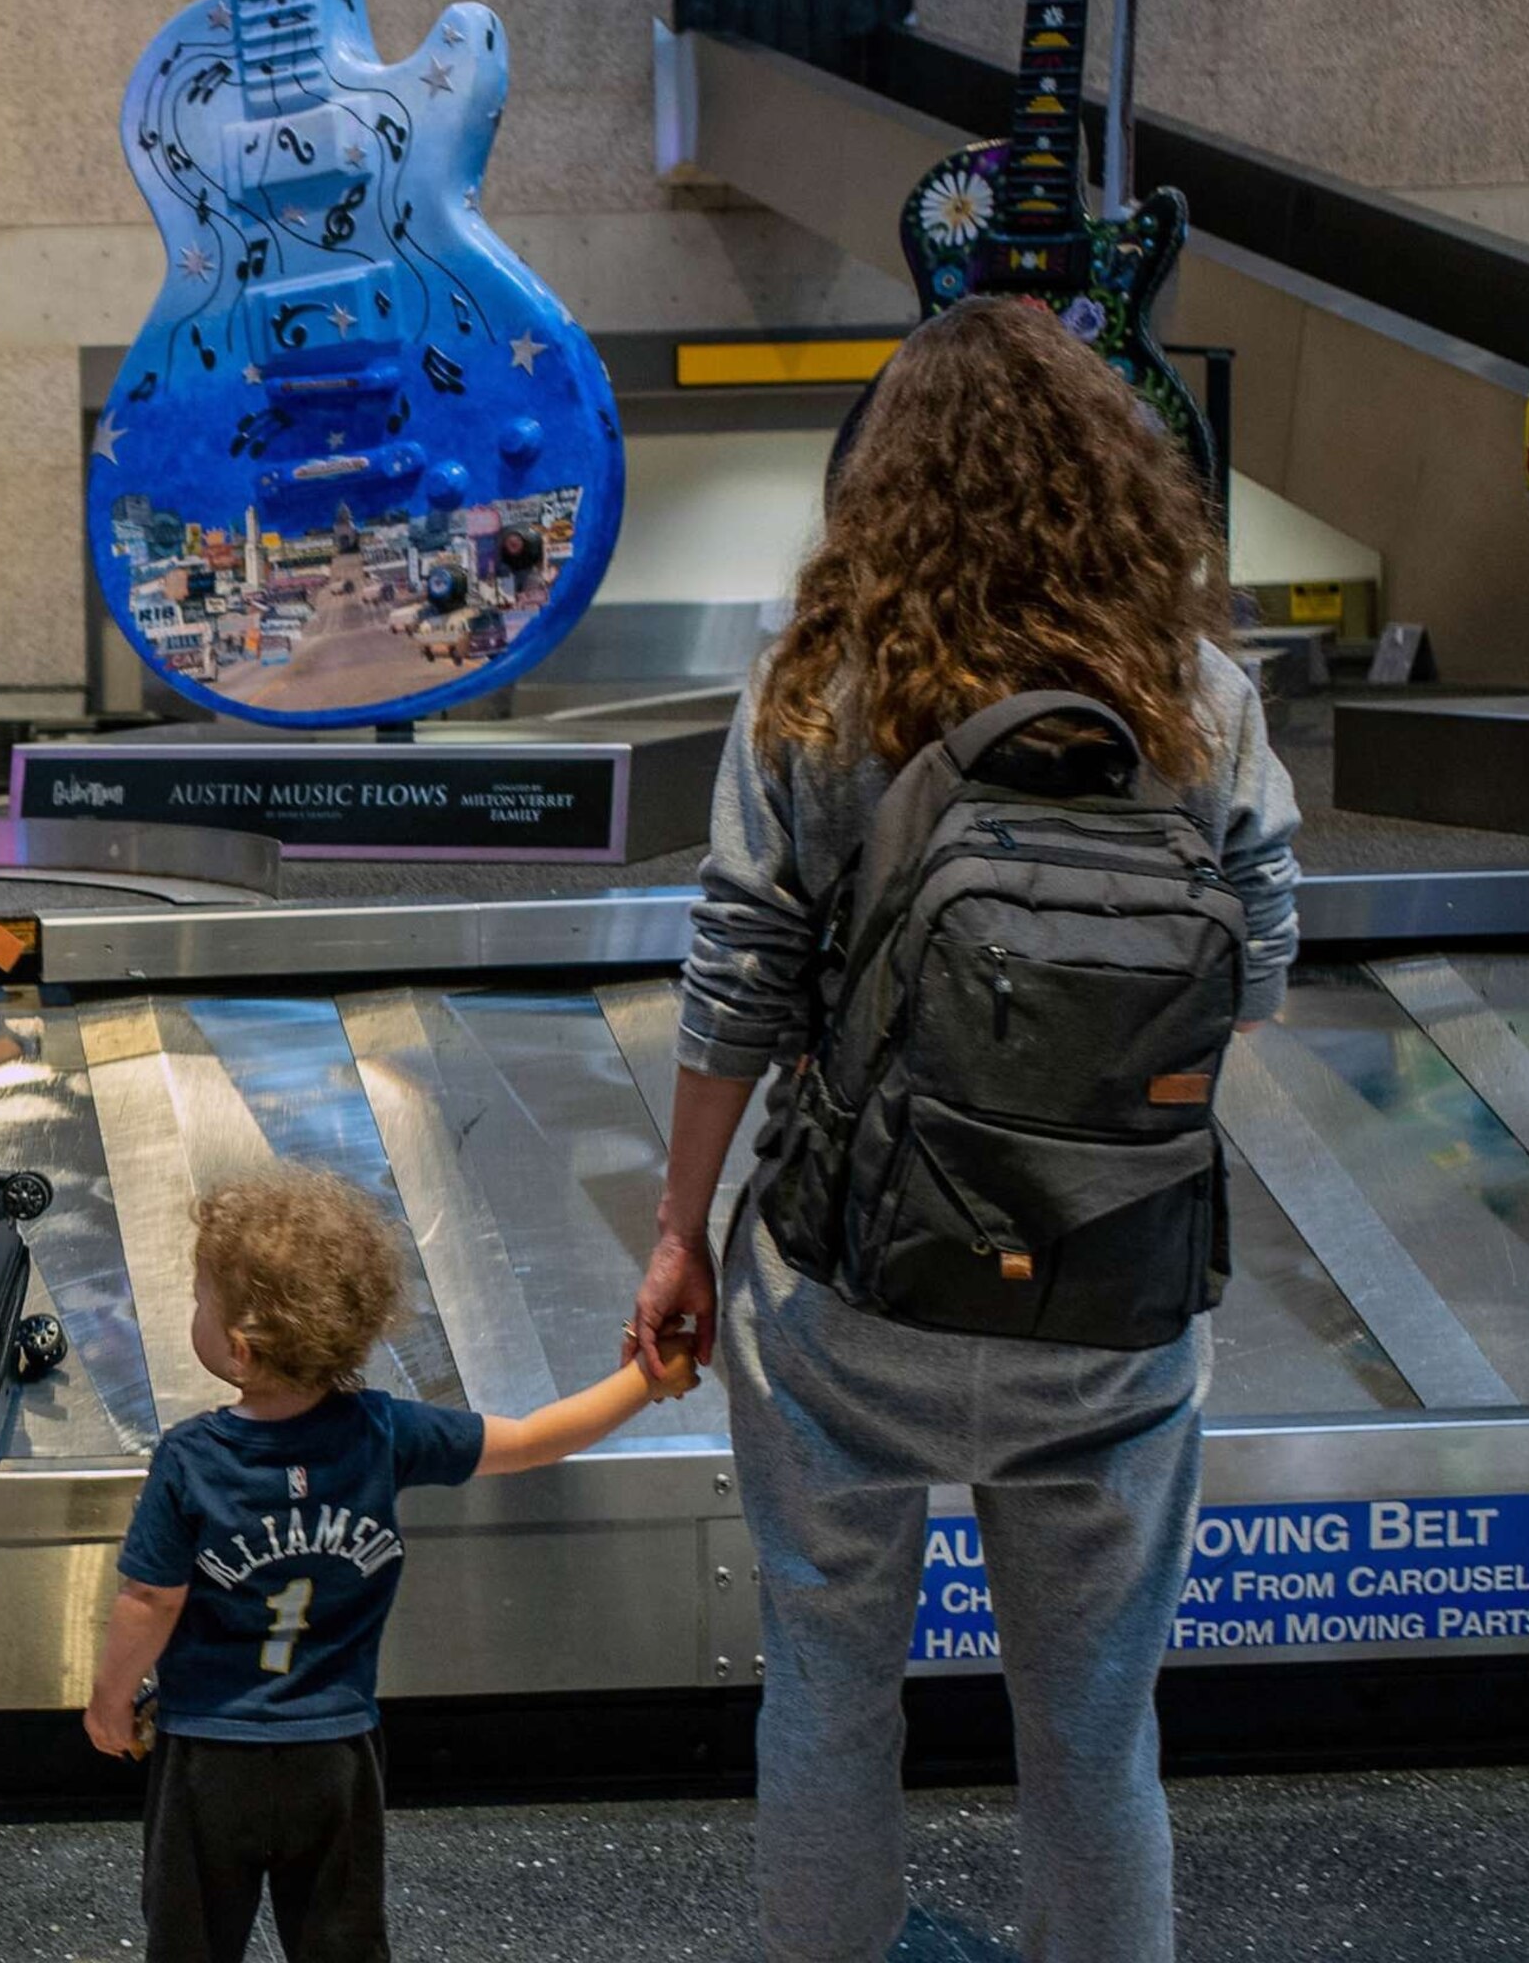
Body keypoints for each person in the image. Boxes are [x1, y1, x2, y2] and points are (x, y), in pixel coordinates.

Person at [627, 295, 1301, 1963]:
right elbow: (1259, 967)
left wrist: (675, 1229)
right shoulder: (1198, 698)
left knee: (833, 1695)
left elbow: (738, 980)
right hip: (1112, 1299)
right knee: (1092, 1730)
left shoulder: (818, 692)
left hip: (853, 1289)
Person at [88, 1166, 701, 1963]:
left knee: (192, 1945)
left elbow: (151, 1599)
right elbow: (535, 1439)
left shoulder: (191, 1459)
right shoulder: (381, 1433)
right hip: (336, 1757)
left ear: (239, 1349)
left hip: (210, 1756)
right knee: (341, 1944)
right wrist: (644, 1381)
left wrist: (107, 1703)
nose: (193, 1312)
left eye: (200, 1299)